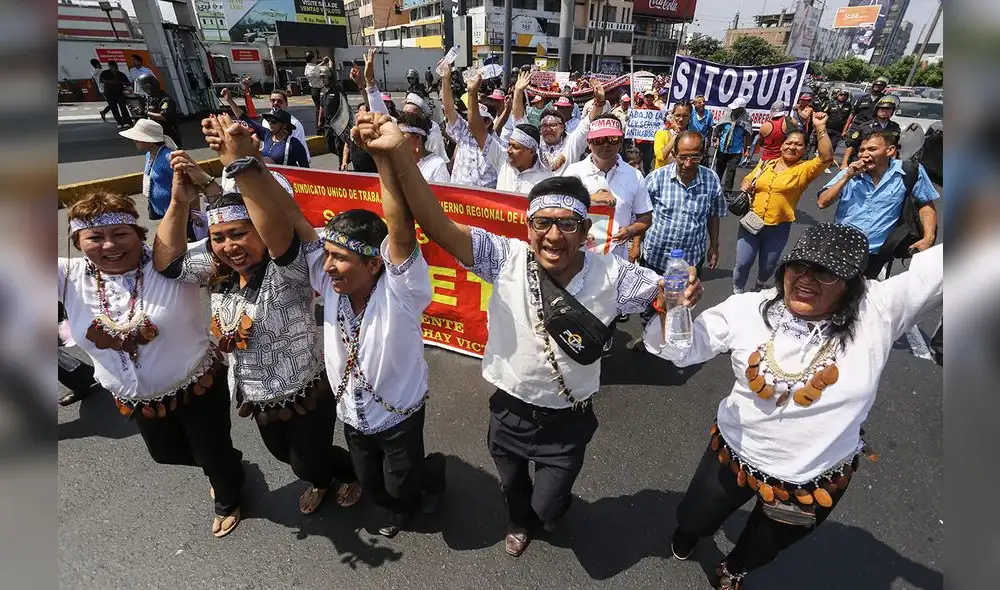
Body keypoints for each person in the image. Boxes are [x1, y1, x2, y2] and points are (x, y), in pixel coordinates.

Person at [364, 110, 702, 555]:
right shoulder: (504, 257)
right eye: (543, 223)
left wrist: (682, 293)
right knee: (512, 485)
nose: (554, 235)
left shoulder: (616, 275)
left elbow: (663, 296)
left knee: (549, 503)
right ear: (528, 227)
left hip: (569, 419)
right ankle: (520, 522)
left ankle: (544, 513)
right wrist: (397, 159)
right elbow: (439, 226)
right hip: (509, 411)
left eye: (568, 224)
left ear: (585, 231)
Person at [644, 223, 942, 590]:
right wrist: (672, 310)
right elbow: (682, 350)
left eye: (825, 272)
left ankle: (733, 569)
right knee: (693, 517)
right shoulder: (748, 309)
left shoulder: (878, 309)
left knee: (764, 545)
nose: (805, 279)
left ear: (852, 283)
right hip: (736, 451)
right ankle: (690, 534)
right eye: (798, 266)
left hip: (814, 476)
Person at [156, 128, 363, 517]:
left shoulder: (288, 266)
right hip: (255, 393)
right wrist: (179, 204)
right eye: (218, 237)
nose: (229, 246)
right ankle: (322, 477)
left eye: (239, 234)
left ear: (262, 233)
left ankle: (345, 474)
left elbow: (278, 227)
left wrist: (240, 162)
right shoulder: (218, 269)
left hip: (304, 388)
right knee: (282, 455)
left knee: (307, 461)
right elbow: (167, 265)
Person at [60, 191, 244, 537]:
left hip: (197, 386)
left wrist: (201, 194)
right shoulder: (68, 275)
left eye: (120, 234)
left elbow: (236, 239)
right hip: (137, 401)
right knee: (166, 454)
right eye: (95, 237)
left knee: (213, 452)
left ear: (138, 232)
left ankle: (228, 495)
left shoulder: (174, 264)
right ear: (77, 241)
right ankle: (224, 462)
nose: (109, 246)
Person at [315, 113, 446, 538]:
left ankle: (431, 479)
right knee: (370, 481)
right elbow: (290, 230)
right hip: (352, 413)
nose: (328, 268)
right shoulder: (331, 283)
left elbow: (401, 231)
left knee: (401, 480)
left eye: (341, 258)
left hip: (400, 414)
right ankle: (399, 498)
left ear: (375, 264)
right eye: (326, 256)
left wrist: (386, 158)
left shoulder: (401, 290)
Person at [733, 112, 833, 294]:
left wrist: (820, 128)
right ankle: (737, 294)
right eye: (789, 143)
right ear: (782, 146)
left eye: (798, 144)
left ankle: (758, 290)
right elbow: (748, 179)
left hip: (777, 228)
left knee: (767, 267)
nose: (792, 147)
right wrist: (745, 183)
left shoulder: (804, 170)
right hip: (750, 222)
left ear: (804, 149)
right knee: (742, 263)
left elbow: (826, 158)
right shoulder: (765, 164)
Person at [818, 130, 938, 279]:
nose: (864, 154)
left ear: (890, 150)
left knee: (862, 296)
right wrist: (847, 177)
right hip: (840, 248)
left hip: (876, 255)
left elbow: (926, 204)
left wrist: (928, 238)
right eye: (862, 150)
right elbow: (823, 202)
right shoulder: (851, 173)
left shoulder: (910, 171)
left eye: (872, 149)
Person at [564, 115, 652, 261]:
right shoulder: (573, 172)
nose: (606, 145)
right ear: (589, 143)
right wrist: (589, 199)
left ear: (621, 142)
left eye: (612, 139)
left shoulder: (635, 175)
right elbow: (559, 210)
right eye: (599, 140)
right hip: (578, 257)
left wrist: (630, 231)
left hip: (616, 258)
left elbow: (645, 217)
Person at [641, 130, 725, 275]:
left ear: (703, 155)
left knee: (684, 298)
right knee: (652, 298)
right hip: (655, 259)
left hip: (690, 262)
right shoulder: (656, 178)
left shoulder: (711, 180)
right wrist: (636, 245)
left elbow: (713, 215)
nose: (688, 163)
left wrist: (714, 246)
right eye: (683, 157)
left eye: (695, 157)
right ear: (674, 155)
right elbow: (642, 214)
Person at [512, 71, 599, 175]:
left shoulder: (571, 143)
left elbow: (587, 123)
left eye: (553, 125)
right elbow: (519, 121)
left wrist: (600, 102)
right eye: (544, 125)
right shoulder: (534, 143)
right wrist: (517, 92)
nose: (548, 129)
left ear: (562, 128)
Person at [220, 88, 309, 167]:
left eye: (274, 121)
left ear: (284, 125)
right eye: (269, 120)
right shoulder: (267, 134)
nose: (270, 123)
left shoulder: (295, 142)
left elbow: (306, 171)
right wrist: (230, 101)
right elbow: (246, 119)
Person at [118, 119, 175, 221]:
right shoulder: (149, 155)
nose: (134, 141)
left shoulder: (169, 157)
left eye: (138, 139)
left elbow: (188, 184)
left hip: (176, 213)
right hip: (161, 210)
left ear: (150, 141)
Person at [841, 95, 902, 169]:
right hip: (862, 162)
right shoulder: (865, 127)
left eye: (888, 109)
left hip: (882, 164)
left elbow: (895, 147)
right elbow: (851, 145)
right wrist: (844, 163)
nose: (885, 112)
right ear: (877, 110)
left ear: (892, 111)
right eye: (882, 109)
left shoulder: (895, 127)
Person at [711, 98, 753, 194]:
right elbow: (718, 128)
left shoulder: (747, 119)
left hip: (736, 150)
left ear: (741, 109)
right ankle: (714, 189)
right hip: (722, 147)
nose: (733, 110)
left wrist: (747, 150)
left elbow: (748, 135)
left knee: (731, 171)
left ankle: (727, 192)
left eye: (736, 109)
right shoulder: (727, 114)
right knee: (719, 170)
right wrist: (716, 139)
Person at [398, 110, 450, 183]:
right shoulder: (397, 161)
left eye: (401, 134)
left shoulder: (437, 165)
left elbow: (442, 193)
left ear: (417, 138)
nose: (396, 138)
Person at [134, 74, 182, 148]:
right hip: (156, 134)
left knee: (174, 156)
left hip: (168, 134)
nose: (144, 90)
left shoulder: (165, 100)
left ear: (150, 87)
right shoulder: (151, 99)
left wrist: (145, 113)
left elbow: (164, 117)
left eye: (145, 88)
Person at [265, 89, 311, 163]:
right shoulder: (265, 121)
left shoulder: (295, 124)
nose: (275, 103)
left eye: (280, 101)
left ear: (286, 104)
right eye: (273, 100)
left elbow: (301, 155)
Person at [319, 80, 352, 166]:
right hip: (327, 123)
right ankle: (346, 157)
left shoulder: (338, 90)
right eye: (321, 77)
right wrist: (320, 120)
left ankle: (342, 164)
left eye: (324, 77)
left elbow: (345, 106)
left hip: (337, 122)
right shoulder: (322, 91)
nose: (322, 79)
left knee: (339, 145)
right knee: (329, 146)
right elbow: (321, 106)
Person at [653, 102, 692, 170]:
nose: (681, 119)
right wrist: (676, 134)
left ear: (690, 117)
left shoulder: (692, 137)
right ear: (672, 116)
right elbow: (661, 156)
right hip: (664, 177)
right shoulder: (661, 134)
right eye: (678, 115)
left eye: (685, 116)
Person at [341, 104, 379, 173]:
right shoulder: (351, 129)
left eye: (362, 110)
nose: (359, 112)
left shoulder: (373, 129)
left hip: (373, 168)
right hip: (357, 166)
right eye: (358, 111)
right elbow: (347, 146)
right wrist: (344, 161)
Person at [97, 60, 132, 129]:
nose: (113, 68)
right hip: (109, 93)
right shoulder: (105, 73)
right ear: (109, 66)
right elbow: (101, 80)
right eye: (111, 67)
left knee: (123, 107)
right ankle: (119, 122)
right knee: (114, 108)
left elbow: (127, 83)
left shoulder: (120, 74)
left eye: (114, 67)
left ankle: (127, 122)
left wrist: (122, 83)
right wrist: (112, 82)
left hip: (119, 92)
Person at [634, 90, 660, 172]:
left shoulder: (657, 110)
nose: (649, 98)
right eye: (647, 97)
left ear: (653, 98)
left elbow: (659, 124)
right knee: (636, 162)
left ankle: (646, 179)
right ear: (644, 98)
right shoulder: (638, 110)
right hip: (639, 141)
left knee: (647, 164)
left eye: (650, 97)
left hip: (650, 142)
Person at [89, 59, 113, 124]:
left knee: (112, 102)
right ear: (97, 64)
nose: (101, 65)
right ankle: (104, 112)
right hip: (107, 88)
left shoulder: (92, 72)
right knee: (112, 103)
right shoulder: (101, 71)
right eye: (99, 63)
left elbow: (93, 82)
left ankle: (104, 112)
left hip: (101, 89)